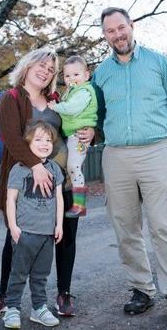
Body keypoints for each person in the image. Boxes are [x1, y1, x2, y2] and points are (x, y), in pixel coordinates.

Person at [92, 7, 167, 321]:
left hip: (156, 151)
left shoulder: (159, 63)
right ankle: (141, 289)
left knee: (164, 226)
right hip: (116, 156)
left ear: (132, 26)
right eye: (110, 31)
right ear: (105, 35)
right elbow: (97, 114)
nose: (117, 35)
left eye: (121, 28)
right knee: (125, 226)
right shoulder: (101, 73)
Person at [0, 48, 94, 319]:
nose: (45, 71)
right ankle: (5, 295)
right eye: (41, 66)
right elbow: (11, 137)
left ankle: (64, 293)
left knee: (64, 236)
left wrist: (92, 132)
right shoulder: (12, 99)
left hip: (62, 182)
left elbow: (80, 121)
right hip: (26, 186)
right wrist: (36, 167)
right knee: (17, 237)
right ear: (28, 67)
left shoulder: (58, 99)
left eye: (50, 69)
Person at [2, 120, 65, 329]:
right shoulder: (19, 169)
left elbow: (59, 198)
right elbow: (10, 199)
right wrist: (13, 227)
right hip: (25, 232)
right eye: (38, 139)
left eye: (48, 140)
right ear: (28, 143)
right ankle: (12, 308)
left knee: (41, 275)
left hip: (47, 234)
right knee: (18, 273)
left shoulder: (55, 168)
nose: (44, 143)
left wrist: (59, 225)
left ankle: (39, 308)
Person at [47, 55, 98, 217]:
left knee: (74, 167)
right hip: (72, 135)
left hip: (80, 135)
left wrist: (55, 107)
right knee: (69, 167)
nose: (71, 79)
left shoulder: (84, 92)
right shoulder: (72, 91)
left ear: (86, 75)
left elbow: (72, 109)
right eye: (67, 76)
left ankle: (80, 205)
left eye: (76, 75)